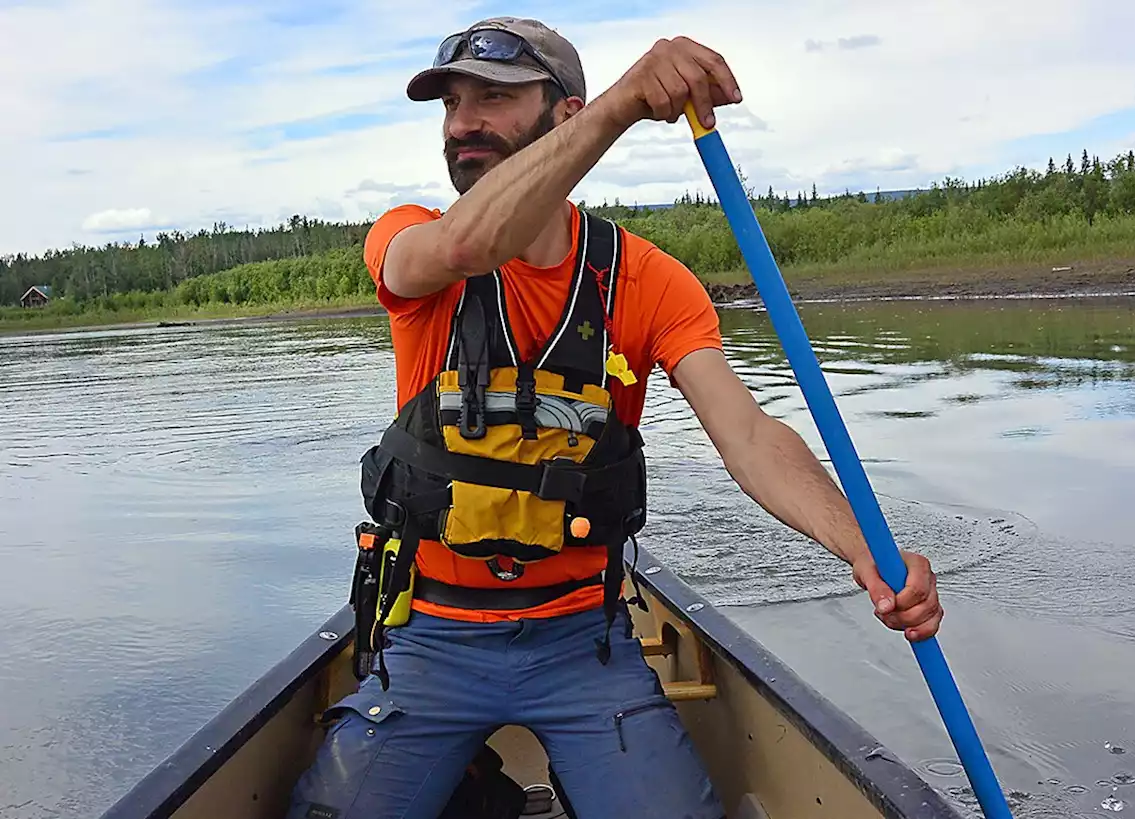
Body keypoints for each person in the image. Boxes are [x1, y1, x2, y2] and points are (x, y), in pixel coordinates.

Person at [288, 16, 944, 819]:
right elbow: (466, 249)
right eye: (453, 102)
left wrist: (863, 548)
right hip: (429, 635)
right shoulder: (412, 239)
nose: (462, 121)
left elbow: (748, 435)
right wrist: (627, 102)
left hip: (579, 641)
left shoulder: (647, 279)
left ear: (565, 115)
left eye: (494, 97)